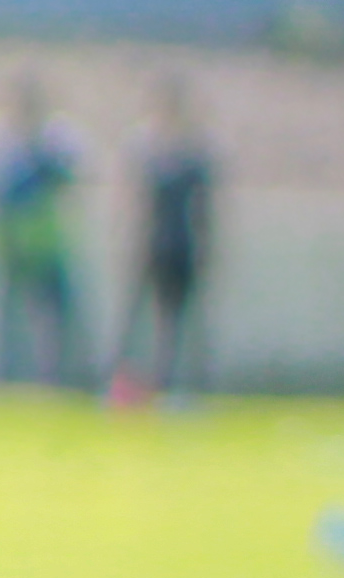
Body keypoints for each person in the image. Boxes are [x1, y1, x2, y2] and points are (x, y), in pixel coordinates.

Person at [0, 81, 87, 392]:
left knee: (54, 315)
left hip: (47, 242)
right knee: (9, 316)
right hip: (12, 242)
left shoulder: (55, 139)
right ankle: (7, 378)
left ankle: (53, 379)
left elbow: (72, 180)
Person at [123, 81, 214, 402]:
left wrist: (208, 247)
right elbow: (136, 202)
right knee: (139, 321)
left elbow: (204, 208)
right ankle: (128, 385)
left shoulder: (195, 152)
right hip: (153, 246)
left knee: (180, 322)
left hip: (183, 247)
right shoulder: (147, 147)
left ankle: (180, 386)